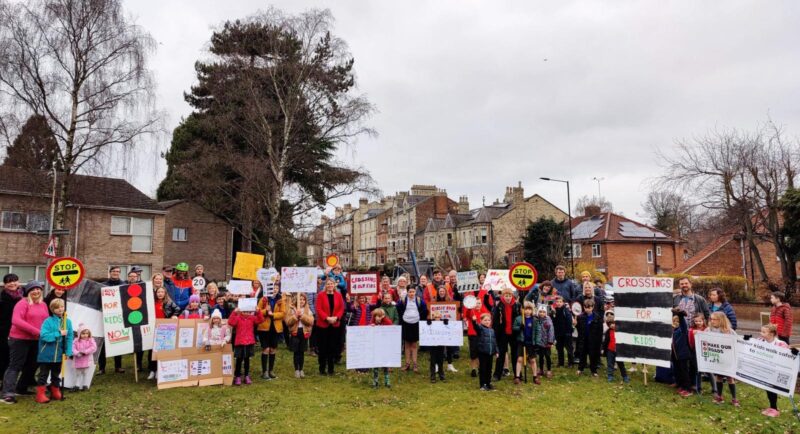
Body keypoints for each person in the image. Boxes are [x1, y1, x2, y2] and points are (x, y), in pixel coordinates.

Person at [2, 281, 49, 404]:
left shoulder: (43, 304)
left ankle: (21, 388)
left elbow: (46, 321)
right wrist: (36, 331)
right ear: (28, 292)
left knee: (33, 365)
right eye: (32, 289)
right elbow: (16, 320)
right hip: (19, 339)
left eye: (38, 289)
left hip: (36, 340)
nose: (36, 291)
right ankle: (7, 393)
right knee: (15, 365)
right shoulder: (22, 303)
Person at [34, 298, 72, 404]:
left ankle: (55, 391)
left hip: (59, 354)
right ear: (52, 309)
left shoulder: (67, 321)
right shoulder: (48, 321)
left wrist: (68, 352)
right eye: (57, 307)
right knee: (43, 374)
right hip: (46, 354)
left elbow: (69, 338)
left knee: (56, 374)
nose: (60, 309)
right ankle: (40, 394)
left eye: (62, 307)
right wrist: (59, 334)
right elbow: (44, 336)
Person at [756, 324, 794, 417]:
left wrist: (794, 352)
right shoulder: (759, 341)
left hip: (775, 371)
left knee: (772, 389)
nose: (761, 333)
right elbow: (750, 346)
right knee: (768, 389)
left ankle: (775, 409)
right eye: (761, 331)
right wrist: (746, 340)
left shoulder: (781, 344)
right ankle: (772, 407)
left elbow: (788, 356)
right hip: (765, 370)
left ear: (772, 334)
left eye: (764, 332)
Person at [147, 279, 182, 380]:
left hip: (164, 329)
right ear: (156, 293)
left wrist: (174, 316)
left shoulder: (169, 302)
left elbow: (178, 309)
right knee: (152, 351)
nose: (160, 294)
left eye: (162, 292)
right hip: (153, 328)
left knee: (162, 350)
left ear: (165, 293)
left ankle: (160, 370)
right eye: (158, 292)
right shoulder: (151, 302)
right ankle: (152, 370)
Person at [227, 306, 264, 386]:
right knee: (239, 360)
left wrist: (258, 311)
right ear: (241, 311)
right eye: (244, 311)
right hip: (240, 342)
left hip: (249, 342)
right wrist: (234, 312)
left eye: (248, 312)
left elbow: (261, 320)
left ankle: (247, 375)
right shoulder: (238, 318)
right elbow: (230, 322)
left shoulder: (252, 318)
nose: (246, 313)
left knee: (247, 360)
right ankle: (238, 376)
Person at [315, 278, 345, 376]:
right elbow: (318, 309)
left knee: (332, 347)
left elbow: (341, 308)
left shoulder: (338, 295)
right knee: (323, 348)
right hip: (323, 325)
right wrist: (327, 318)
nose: (330, 285)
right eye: (328, 284)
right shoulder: (320, 295)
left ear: (334, 285)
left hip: (335, 325)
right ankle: (322, 369)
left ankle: (331, 369)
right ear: (325, 285)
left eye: (331, 284)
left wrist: (336, 317)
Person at [708, 311, 739, 406]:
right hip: (717, 358)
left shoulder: (729, 331)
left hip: (727, 357)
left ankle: (734, 398)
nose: (712, 321)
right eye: (711, 319)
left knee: (730, 378)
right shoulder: (709, 330)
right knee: (719, 377)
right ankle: (719, 396)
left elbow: (736, 341)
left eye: (714, 319)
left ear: (721, 320)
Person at [99, 266, 125, 374]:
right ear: (110, 272)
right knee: (103, 343)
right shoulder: (103, 285)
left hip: (117, 317)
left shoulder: (124, 285)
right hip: (104, 316)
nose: (115, 273)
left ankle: (118, 366)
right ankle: (101, 368)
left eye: (117, 271)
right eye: (113, 271)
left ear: (120, 273)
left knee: (117, 340)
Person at [397, 285, 427, 373]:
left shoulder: (419, 300)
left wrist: (420, 319)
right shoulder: (402, 300)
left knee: (414, 345)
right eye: (410, 292)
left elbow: (424, 310)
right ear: (407, 292)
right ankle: (407, 364)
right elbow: (398, 309)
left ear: (415, 292)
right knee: (406, 345)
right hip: (406, 323)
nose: (411, 293)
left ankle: (415, 364)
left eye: (413, 292)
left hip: (415, 324)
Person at [492, 288, 520, 381]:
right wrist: (496, 334)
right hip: (502, 333)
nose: (508, 298)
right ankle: (497, 374)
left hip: (514, 333)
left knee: (515, 354)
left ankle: (517, 374)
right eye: (506, 296)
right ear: (503, 296)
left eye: (509, 296)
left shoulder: (517, 305)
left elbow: (519, 319)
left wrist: (520, 327)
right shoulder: (499, 306)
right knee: (501, 354)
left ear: (512, 296)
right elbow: (495, 321)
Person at [257, 288, 285, 380]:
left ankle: (271, 370)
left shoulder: (280, 299)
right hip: (264, 327)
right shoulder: (263, 299)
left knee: (273, 349)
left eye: (276, 288)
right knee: (266, 349)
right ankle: (264, 371)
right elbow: (257, 311)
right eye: (272, 288)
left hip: (275, 327)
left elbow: (283, 313)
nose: (274, 290)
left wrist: (273, 314)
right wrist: (265, 311)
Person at [285, 293, 313, 379]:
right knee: (296, 352)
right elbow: (288, 322)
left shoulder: (307, 310)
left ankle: (301, 369)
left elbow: (310, 321)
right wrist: (295, 316)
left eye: (303, 299)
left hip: (304, 332)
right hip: (295, 332)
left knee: (302, 352)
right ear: (296, 300)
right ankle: (296, 369)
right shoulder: (292, 309)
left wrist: (302, 316)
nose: (301, 301)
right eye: (300, 299)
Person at [0, 274, 23, 381]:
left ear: (18, 282)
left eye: (14, 281)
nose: (12, 283)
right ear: (5, 285)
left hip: (20, 332)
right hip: (5, 332)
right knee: (4, 358)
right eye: (9, 282)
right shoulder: (2, 298)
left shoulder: (23, 297)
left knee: (15, 359)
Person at [513, 302, 540, 385]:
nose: (527, 311)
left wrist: (537, 342)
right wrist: (519, 327)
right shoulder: (519, 318)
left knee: (532, 360)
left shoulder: (534, 320)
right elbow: (514, 328)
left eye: (529, 309)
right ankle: (517, 377)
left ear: (532, 310)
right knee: (520, 359)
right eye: (525, 309)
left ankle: (535, 376)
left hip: (531, 342)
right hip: (522, 342)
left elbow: (537, 331)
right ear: (522, 310)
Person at [470, 312, 498, 391]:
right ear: (481, 321)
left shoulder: (492, 330)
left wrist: (496, 351)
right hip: (482, 352)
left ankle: (488, 383)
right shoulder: (480, 329)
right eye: (485, 320)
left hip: (490, 353)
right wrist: (474, 321)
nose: (487, 321)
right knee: (483, 369)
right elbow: (476, 327)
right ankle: (483, 384)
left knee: (489, 369)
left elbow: (494, 342)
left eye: (488, 320)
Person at [575, 299, 603, 377]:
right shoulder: (580, 317)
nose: (587, 309)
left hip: (593, 340)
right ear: (583, 307)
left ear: (593, 307)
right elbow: (578, 328)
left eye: (589, 307)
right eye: (586, 307)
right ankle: (580, 368)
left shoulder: (597, 317)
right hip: (583, 339)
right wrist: (575, 324)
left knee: (593, 355)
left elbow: (600, 331)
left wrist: (599, 342)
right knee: (582, 355)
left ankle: (593, 370)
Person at [369, 308, 394, 388]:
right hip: (375, 346)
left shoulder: (386, 321)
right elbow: (368, 330)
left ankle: (387, 381)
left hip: (384, 346)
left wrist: (383, 321)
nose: (379, 318)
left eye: (381, 316)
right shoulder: (372, 321)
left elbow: (391, 328)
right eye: (377, 316)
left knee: (385, 364)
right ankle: (375, 381)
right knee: (375, 364)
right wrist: (371, 326)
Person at [603, 318, 630, 383]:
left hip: (618, 351)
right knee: (610, 364)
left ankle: (625, 376)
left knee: (621, 365)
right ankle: (610, 376)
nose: (612, 325)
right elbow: (605, 342)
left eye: (613, 323)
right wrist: (603, 349)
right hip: (610, 350)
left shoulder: (620, 331)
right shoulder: (608, 332)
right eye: (609, 324)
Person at [71, 323, 97, 391]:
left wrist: (85, 351)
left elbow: (93, 347)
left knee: (85, 373)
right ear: (79, 334)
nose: (85, 335)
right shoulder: (76, 341)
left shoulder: (91, 340)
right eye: (83, 333)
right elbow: (72, 348)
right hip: (78, 359)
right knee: (78, 373)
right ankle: (77, 385)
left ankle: (85, 385)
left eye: (86, 333)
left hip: (87, 359)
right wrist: (77, 353)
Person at [688, 313, 708, 394]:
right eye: (696, 321)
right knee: (692, 368)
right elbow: (690, 340)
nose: (698, 323)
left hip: (702, 352)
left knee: (698, 370)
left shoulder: (706, 329)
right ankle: (691, 384)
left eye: (700, 321)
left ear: (703, 321)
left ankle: (698, 386)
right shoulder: (692, 329)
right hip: (693, 351)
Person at [426, 311, 448, 383]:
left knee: (440, 361)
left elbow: (448, 327)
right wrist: (428, 322)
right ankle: (433, 376)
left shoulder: (443, 322)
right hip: (433, 345)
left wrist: (446, 322)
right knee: (433, 361)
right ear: (433, 317)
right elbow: (426, 327)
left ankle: (441, 375)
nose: (437, 318)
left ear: (440, 317)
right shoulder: (431, 323)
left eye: (438, 317)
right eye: (435, 317)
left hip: (441, 345)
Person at [552, 296, 574, 368]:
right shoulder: (554, 310)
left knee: (569, 348)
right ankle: (561, 362)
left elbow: (569, 321)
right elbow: (553, 321)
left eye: (560, 302)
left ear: (563, 303)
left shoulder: (566, 310)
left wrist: (568, 332)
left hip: (566, 333)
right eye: (557, 302)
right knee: (559, 348)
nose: (558, 303)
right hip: (558, 333)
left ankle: (570, 363)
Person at [534, 304, 555, 379]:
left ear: (545, 313)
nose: (542, 313)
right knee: (540, 356)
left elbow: (551, 331)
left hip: (546, 343)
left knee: (547, 356)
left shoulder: (548, 321)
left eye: (543, 312)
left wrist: (550, 341)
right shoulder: (537, 320)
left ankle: (549, 370)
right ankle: (541, 369)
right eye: (540, 312)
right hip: (540, 342)